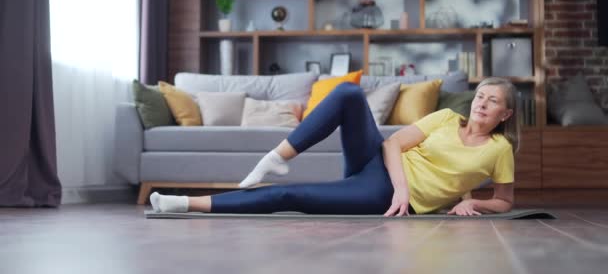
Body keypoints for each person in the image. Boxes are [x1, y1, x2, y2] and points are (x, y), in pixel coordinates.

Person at [150, 77, 518, 217]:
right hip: (384, 168)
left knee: (287, 197)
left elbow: (505, 200)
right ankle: (277, 156)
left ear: (506, 113)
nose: (481, 103)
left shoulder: (499, 150)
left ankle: (183, 203)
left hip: (380, 193)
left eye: (492, 100)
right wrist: (404, 185)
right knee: (348, 93)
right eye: (479, 95)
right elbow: (391, 143)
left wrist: (473, 202)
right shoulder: (445, 118)